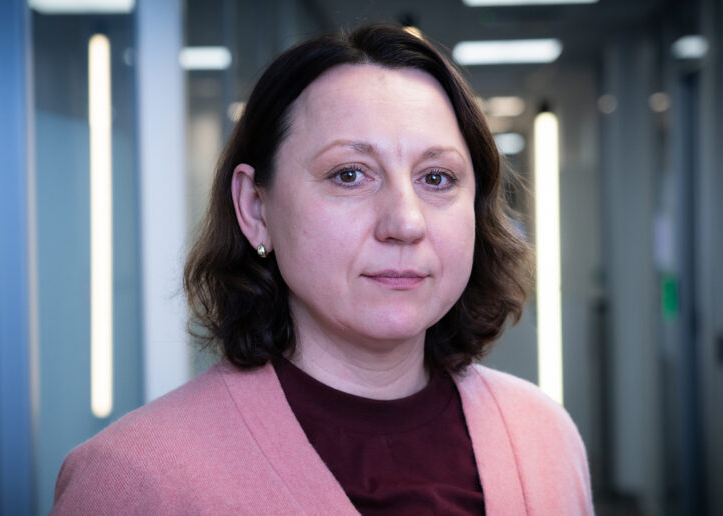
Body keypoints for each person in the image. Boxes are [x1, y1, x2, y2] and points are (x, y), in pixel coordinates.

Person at [51, 24, 592, 515]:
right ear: (255, 208)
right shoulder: (132, 480)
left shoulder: (544, 437)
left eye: (437, 178)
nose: (405, 222)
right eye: (350, 174)